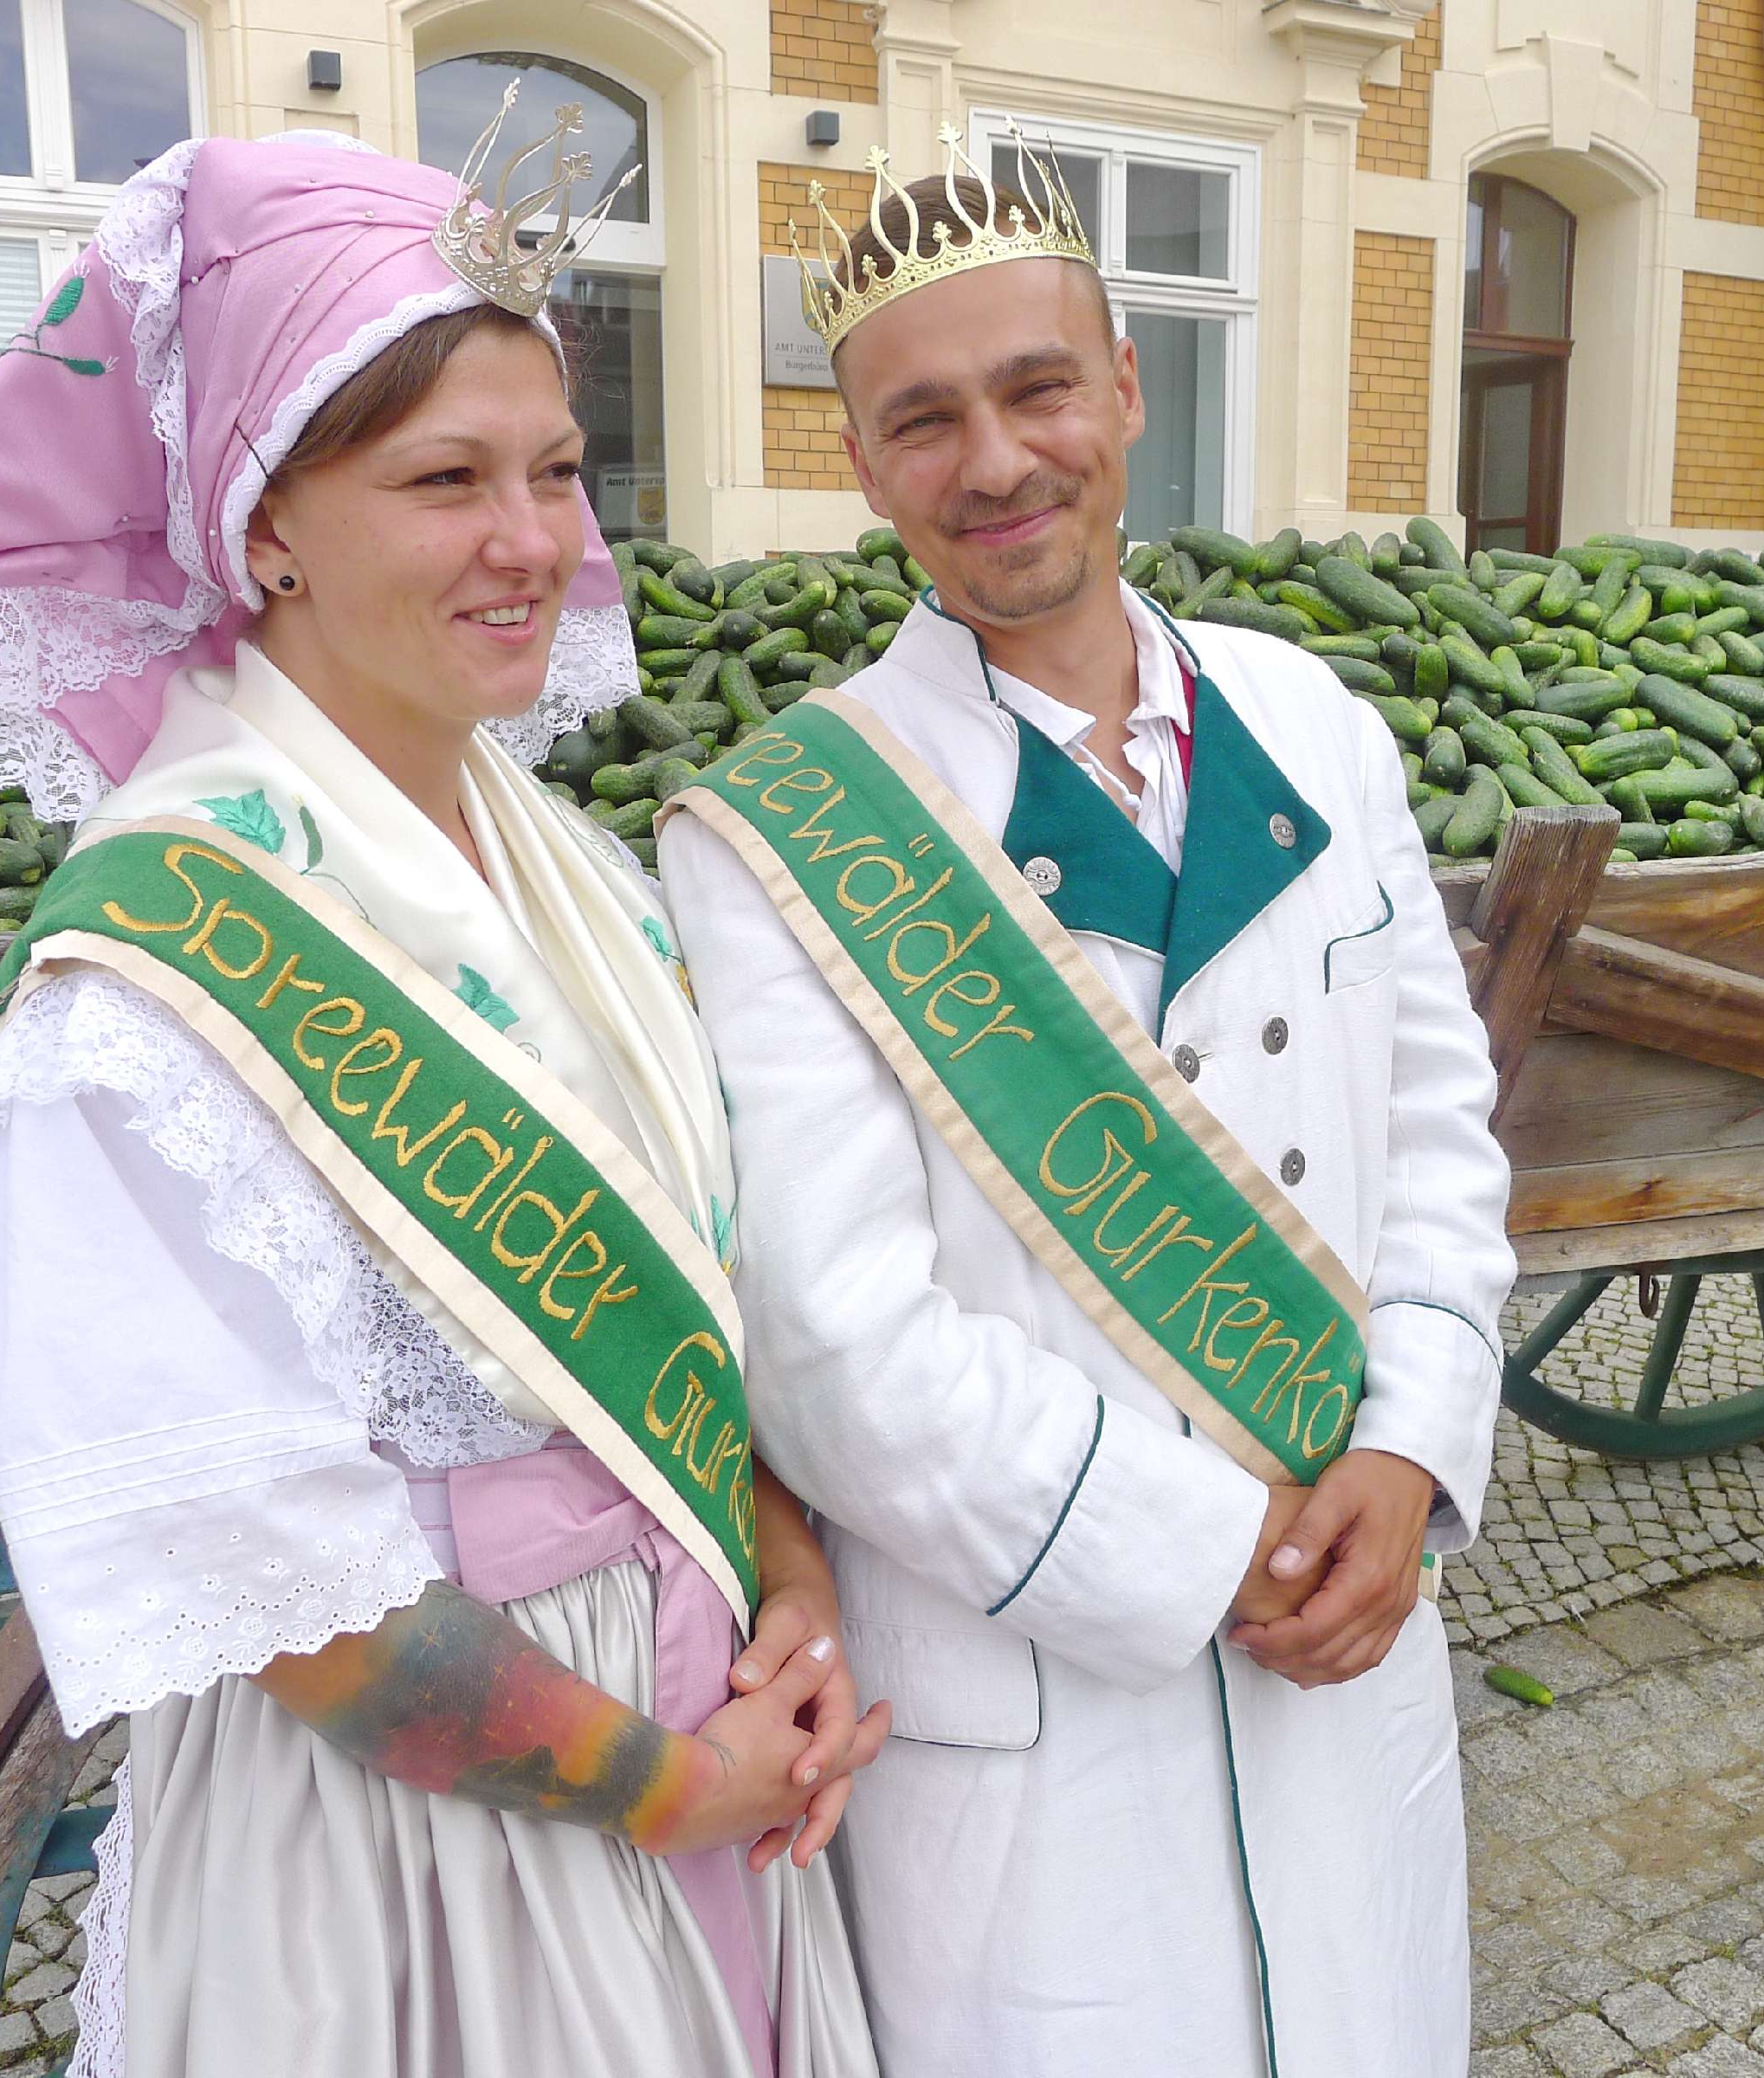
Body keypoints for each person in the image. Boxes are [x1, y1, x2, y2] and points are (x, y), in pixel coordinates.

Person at [0, 115, 884, 2078]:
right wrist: (669, 1787)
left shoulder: (564, 862)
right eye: (445, 478)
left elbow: (691, 1292)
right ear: (261, 522)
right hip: (436, 1866)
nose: (533, 539)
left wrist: (786, 1579)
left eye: (555, 469)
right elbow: (281, 1594)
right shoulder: (142, 989)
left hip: (698, 1712)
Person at [656, 131, 1517, 2078]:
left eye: (1038, 389)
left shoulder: (1317, 724)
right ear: (863, 463)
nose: (994, 462)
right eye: (923, 421)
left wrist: (1409, 1448)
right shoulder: (776, 835)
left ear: (1126, 389)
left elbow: (1440, 1134)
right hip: (1042, 1712)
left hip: (1348, 1650)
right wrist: (1211, 1553)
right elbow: (831, 1342)